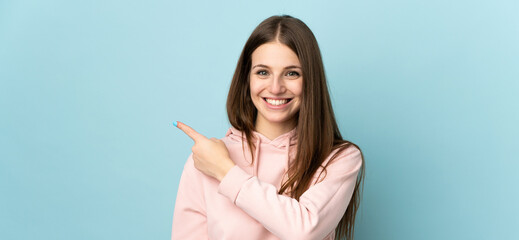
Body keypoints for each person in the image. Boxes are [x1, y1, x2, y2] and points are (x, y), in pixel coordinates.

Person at [171, 15, 364, 240]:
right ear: (247, 79)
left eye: (292, 73)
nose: (275, 87)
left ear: (310, 80)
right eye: (263, 72)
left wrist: (225, 171)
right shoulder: (205, 159)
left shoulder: (339, 159)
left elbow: (304, 230)